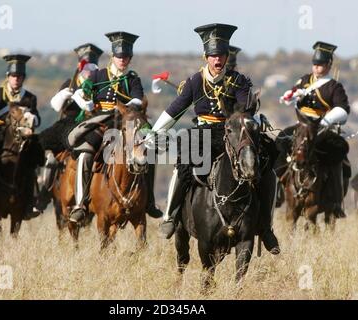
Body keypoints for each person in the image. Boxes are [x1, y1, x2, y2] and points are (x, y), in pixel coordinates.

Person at [147, 23, 280, 254]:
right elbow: (175, 110)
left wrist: (256, 119)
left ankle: (266, 228)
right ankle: (170, 215)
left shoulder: (239, 81)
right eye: (213, 56)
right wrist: (154, 132)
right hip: (204, 134)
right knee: (183, 168)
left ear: (227, 56)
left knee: (268, 165)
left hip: (234, 131)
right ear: (206, 57)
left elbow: (245, 109)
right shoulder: (194, 81)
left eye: (221, 55)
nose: (217, 60)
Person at [68, 31, 163, 223]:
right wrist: (84, 100)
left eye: (126, 56)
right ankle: (80, 203)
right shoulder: (98, 75)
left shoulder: (132, 79)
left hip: (124, 123)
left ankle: (149, 202)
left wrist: (128, 106)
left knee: (148, 154)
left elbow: (137, 99)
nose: (123, 60)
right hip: (101, 124)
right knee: (85, 155)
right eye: (119, 56)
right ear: (113, 56)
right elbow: (82, 91)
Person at [277, 41, 351, 215]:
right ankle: (278, 190)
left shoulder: (334, 87)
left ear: (329, 65)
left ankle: (335, 200)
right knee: (280, 142)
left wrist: (326, 120)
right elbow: (293, 93)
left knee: (338, 152)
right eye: (315, 65)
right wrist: (291, 95)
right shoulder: (304, 80)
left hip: (321, 128)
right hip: (301, 124)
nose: (317, 68)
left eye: (321, 65)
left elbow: (343, 109)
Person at [36, 43, 104, 212]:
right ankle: (44, 193)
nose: (89, 71)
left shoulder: (99, 84)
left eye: (92, 67)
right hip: (68, 124)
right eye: (86, 67)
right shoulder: (70, 83)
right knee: (50, 157)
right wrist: (63, 95)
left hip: (92, 124)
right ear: (80, 67)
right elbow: (56, 107)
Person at [0, 54, 42, 220]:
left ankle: (30, 201)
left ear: (23, 78)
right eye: (13, 76)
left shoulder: (29, 97)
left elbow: (37, 120)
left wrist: (31, 117)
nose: (16, 79)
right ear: (8, 77)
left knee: (33, 157)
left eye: (19, 76)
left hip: (19, 135)